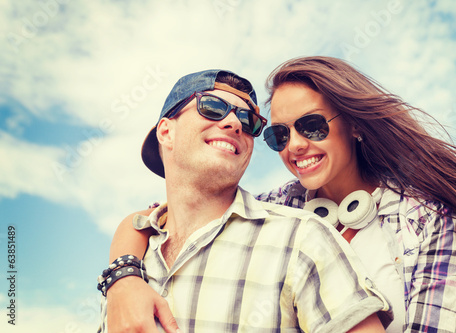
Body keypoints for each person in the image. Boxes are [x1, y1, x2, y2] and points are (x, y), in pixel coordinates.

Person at [104, 57, 456, 333]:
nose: (294, 146)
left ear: (355, 126)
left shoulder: (429, 218)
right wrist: (123, 278)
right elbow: (157, 218)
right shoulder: (279, 209)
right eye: (278, 134)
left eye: (311, 126)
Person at [97, 68, 393, 333]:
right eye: (212, 107)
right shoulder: (127, 269)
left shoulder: (302, 238)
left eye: (248, 120)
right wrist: (122, 277)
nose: (234, 123)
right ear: (166, 132)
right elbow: (138, 221)